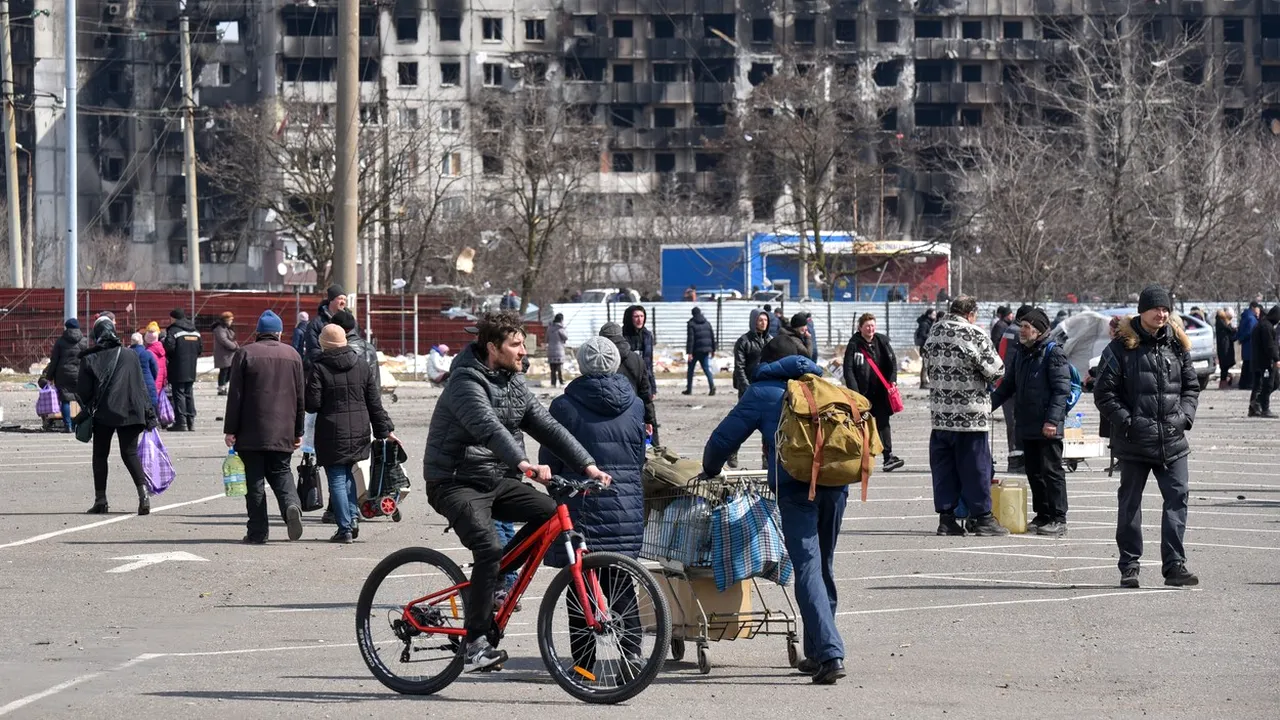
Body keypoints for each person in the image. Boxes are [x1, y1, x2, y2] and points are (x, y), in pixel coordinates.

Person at [422, 311, 611, 669]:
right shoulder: (465, 382)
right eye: (515, 344)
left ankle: (494, 578)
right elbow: (489, 428)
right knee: (489, 547)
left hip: (496, 480)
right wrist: (524, 463)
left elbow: (547, 426)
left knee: (550, 514)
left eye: (524, 343)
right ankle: (475, 643)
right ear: (493, 348)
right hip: (454, 481)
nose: (524, 351)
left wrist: (588, 464)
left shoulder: (512, 382)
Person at [701, 339, 846, 685]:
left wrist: (710, 468)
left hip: (796, 489)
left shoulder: (763, 390)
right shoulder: (823, 382)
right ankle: (815, 650)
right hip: (836, 483)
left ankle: (829, 653)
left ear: (768, 361)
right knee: (823, 564)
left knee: (808, 567)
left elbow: (724, 439)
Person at [540, 337, 647, 670]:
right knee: (620, 580)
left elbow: (551, 458)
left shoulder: (564, 406)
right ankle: (632, 653)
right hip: (623, 501)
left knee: (580, 584)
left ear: (582, 365)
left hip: (581, 504)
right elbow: (639, 456)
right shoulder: (636, 405)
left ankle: (585, 663)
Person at [1094, 285, 1201, 588]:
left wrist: (1184, 417)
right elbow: (1104, 393)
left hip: (1173, 440)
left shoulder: (1178, 346)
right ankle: (1129, 566)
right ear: (1142, 311)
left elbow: (1191, 388)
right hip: (1134, 441)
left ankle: (1175, 566)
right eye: (1156, 308)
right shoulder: (1120, 347)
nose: (1162, 314)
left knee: (1177, 499)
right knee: (1130, 505)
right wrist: (1128, 422)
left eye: (1166, 309)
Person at [921, 296, 1007, 536]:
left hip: (940, 415)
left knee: (944, 470)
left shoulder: (935, 332)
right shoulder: (974, 334)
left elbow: (926, 361)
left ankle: (946, 519)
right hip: (969, 416)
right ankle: (983, 518)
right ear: (971, 314)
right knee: (975, 468)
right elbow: (997, 369)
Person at [307, 324, 398, 544]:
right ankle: (353, 518)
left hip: (331, 430)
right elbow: (374, 402)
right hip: (359, 430)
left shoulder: (319, 367)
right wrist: (383, 431)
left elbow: (313, 404)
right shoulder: (361, 364)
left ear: (324, 344)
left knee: (338, 477)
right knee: (348, 474)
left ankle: (345, 527)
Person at [224, 311, 306, 545]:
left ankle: (258, 532)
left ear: (259, 332)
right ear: (279, 333)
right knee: (281, 473)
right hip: (283, 430)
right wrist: (298, 431)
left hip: (251, 431)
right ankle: (291, 505)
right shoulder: (293, 355)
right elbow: (300, 398)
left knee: (254, 481)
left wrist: (231, 429)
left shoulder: (245, 353)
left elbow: (235, 396)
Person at [990, 309, 1072, 536]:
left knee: (1051, 471)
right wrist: (986, 406)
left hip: (1047, 425)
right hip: (1027, 423)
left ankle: (1058, 517)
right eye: (1021, 326)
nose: (1021, 331)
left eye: (1026, 326)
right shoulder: (1022, 353)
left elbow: (1061, 390)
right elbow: (1007, 386)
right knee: (1034, 471)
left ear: (1039, 330)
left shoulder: (1053, 352)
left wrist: (1052, 421)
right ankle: (1043, 514)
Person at [77, 319, 158, 516]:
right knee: (129, 454)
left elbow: (83, 392)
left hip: (105, 413)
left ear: (96, 335)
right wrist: (149, 414)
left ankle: (101, 500)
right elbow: (141, 386)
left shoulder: (90, 358)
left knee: (100, 455)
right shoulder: (130, 354)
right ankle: (143, 495)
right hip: (132, 411)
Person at [843, 313, 905, 472]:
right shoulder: (854, 344)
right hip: (863, 393)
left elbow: (892, 361)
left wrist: (892, 380)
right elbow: (848, 369)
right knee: (861, 425)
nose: (870, 329)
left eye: (872, 325)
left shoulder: (882, 341)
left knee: (883, 424)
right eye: (867, 326)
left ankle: (888, 457)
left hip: (881, 392)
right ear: (860, 328)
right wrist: (854, 392)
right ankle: (859, 458)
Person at [600, 322, 656, 436]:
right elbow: (645, 392)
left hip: (604, 418)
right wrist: (649, 419)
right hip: (632, 414)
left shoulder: (599, 359)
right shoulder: (637, 359)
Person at [44, 318, 89, 433]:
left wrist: (49, 376)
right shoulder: (84, 341)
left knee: (65, 400)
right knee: (82, 400)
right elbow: (88, 358)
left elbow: (54, 360)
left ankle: (68, 426)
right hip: (79, 374)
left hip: (63, 374)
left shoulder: (60, 341)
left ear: (66, 328)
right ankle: (83, 423)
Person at [162, 308, 202, 432]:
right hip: (191, 367)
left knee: (178, 393)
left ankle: (181, 422)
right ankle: (191, 422)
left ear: (174, 318)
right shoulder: (195, 331)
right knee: (189, 393)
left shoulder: (173, 330)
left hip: (177, 367)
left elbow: (169, 347)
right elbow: (200, 349)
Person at [304, 285, 348, 372]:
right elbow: (313, 350)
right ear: (331, 300)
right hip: (324, 370)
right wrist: (332, 363)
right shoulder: (315, 324)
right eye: (340, 298)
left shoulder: (349, 321)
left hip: (345, 369)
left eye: (344, 299)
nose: (343, 302)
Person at [1248, 304, 1280, 418]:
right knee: (1269, 384)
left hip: (1258, 361)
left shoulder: (1262, 324)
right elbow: (1269, 346)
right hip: (1265, 362)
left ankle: (1254, 407)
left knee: (1260, 385)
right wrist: (1276, 358)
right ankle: (1263, 408)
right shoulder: (1266, 327)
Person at [683, 307, 717, 396]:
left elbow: (691, 339)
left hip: (695, 351)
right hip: (705, 351)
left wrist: (689, 353)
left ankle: (689, 389)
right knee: (706, 369)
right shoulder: (707, 323)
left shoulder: (691, 324)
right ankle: (712, 386)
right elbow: (712, 337)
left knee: (690, 370)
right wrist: (713, 349)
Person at [129, 333, 160, 410]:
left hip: (133, 383)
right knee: (151, 405)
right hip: (148, 382)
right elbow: (155, 369)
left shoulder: (128, 354)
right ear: (141, 341)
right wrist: (152, 379)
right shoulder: (147, 353)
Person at [212, 312, 239, 396]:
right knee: (224, 371)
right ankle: (221, 387)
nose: (231, 322)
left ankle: (225, 386)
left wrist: (236, 346)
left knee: (230, 370)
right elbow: (224, 340)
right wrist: (234, 347)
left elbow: (232, 339)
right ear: (226, 320)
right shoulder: (220, 329)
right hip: (223, 354)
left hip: (229, 354)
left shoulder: (227, 328)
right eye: (230, 320)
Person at [1237, 301, 1261, 391]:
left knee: (1246, 364)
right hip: (1251, 344)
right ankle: (1249, 383)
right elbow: (1251, 331)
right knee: (1250, 365)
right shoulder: (1251, 319)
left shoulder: (1244, 316)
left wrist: (1240, 338)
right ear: (1253, 308)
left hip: (1245, 345)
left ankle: (1243, 383)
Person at [1214, 308, 1236, 389]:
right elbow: (1229, 329)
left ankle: (1224, 381)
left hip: (1224, 345)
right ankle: (1223, 383)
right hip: (1224, 346)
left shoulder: (1220, 321)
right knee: (1224, 365)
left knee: (1225, 365)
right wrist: (1234, 329)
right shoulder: (1221, 321)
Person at [915, 308, 937, 389]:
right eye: (933, 315)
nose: (934, 316)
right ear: (929, 315)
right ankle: (923, 382)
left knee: (927, 365)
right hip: (925, 347)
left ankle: (926, 381)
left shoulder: (929, 323)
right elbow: (922, 334)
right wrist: (931, 337)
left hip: (927, 347)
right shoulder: (925, 324)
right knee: (925, 365)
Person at [546, 313, 568, 387]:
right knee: (559, 368)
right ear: (561, 319)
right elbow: (565, 337)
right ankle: (561, 382)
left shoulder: (549, 328)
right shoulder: (560, 328)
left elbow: (546, 339)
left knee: (552, 369)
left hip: (550, 351)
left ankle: (553, 383)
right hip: (559, 350)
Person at [144, 331, 167, 401]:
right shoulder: (162, 350)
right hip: (161, 381)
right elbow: (164, 368)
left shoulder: (148, 352)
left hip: (153, 382)